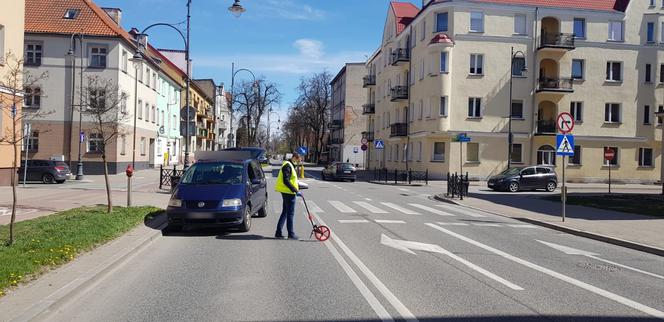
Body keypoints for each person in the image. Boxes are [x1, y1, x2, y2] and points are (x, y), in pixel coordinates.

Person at [274, 152, 302, 239]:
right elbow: (286, 180)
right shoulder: (288, 166)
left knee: (285, 212)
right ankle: (291, 234)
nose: (298, 162)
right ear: (294, 158)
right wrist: (295, 190)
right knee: (290, 213)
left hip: (287, 192)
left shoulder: (289, 165)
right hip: (289, 193)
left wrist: (298, 187)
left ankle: (278, 232)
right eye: (298, 160)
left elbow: (292, 179)